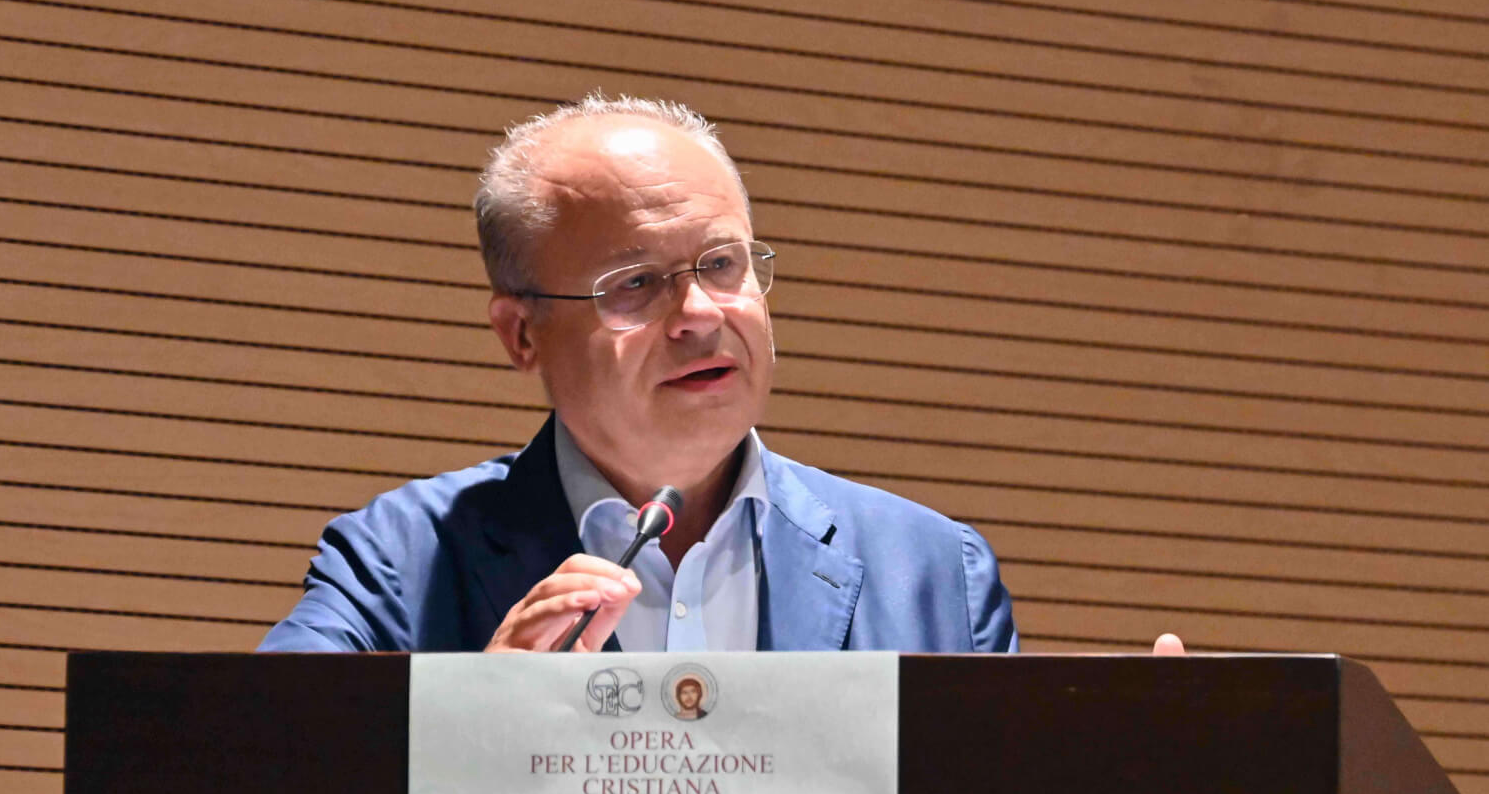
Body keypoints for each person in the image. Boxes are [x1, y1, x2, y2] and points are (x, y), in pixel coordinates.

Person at [259, 93, 1121, 656]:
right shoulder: (396, 564)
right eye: (635, 284)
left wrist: (1149, 775)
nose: (700, 314)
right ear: (522, 334)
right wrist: (477, 729)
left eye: (721, 263)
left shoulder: (934, 574)